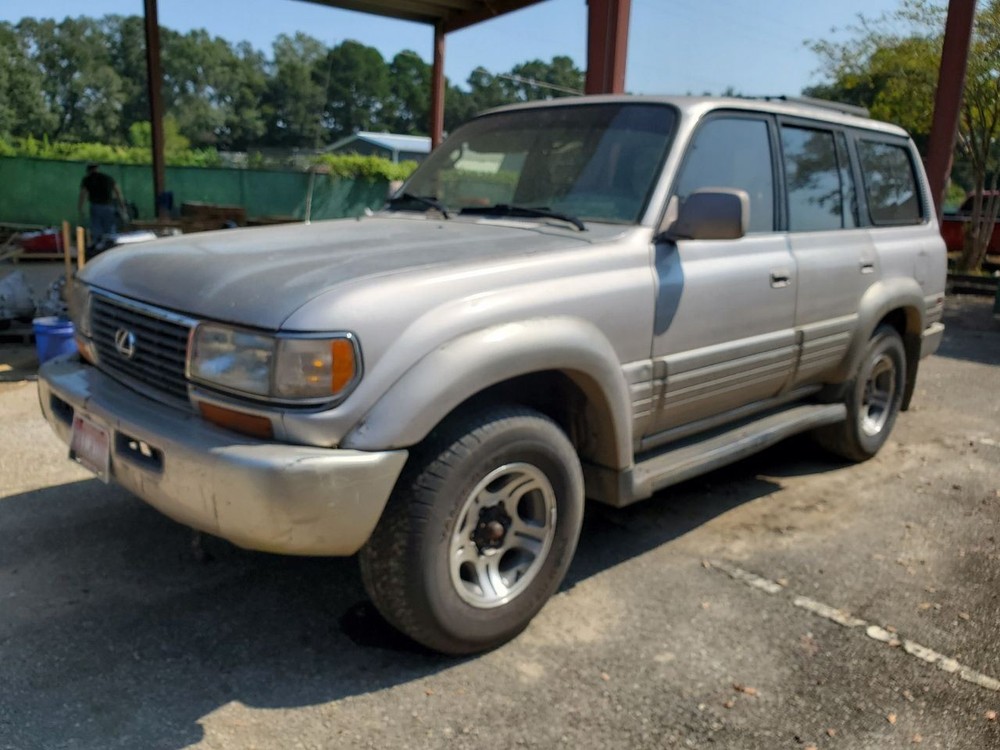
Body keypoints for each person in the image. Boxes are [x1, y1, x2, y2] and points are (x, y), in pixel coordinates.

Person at [78, 163, 125, 242]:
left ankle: (99, 247)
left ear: (88, 170)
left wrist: (80, 207)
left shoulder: (87, 179)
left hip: (96, 206)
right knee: (110, 228)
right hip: (109, 206)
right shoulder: (107, 178)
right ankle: (111, 245)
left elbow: (83, 194)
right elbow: (118, 192)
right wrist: (122, 205)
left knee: (97, 228)